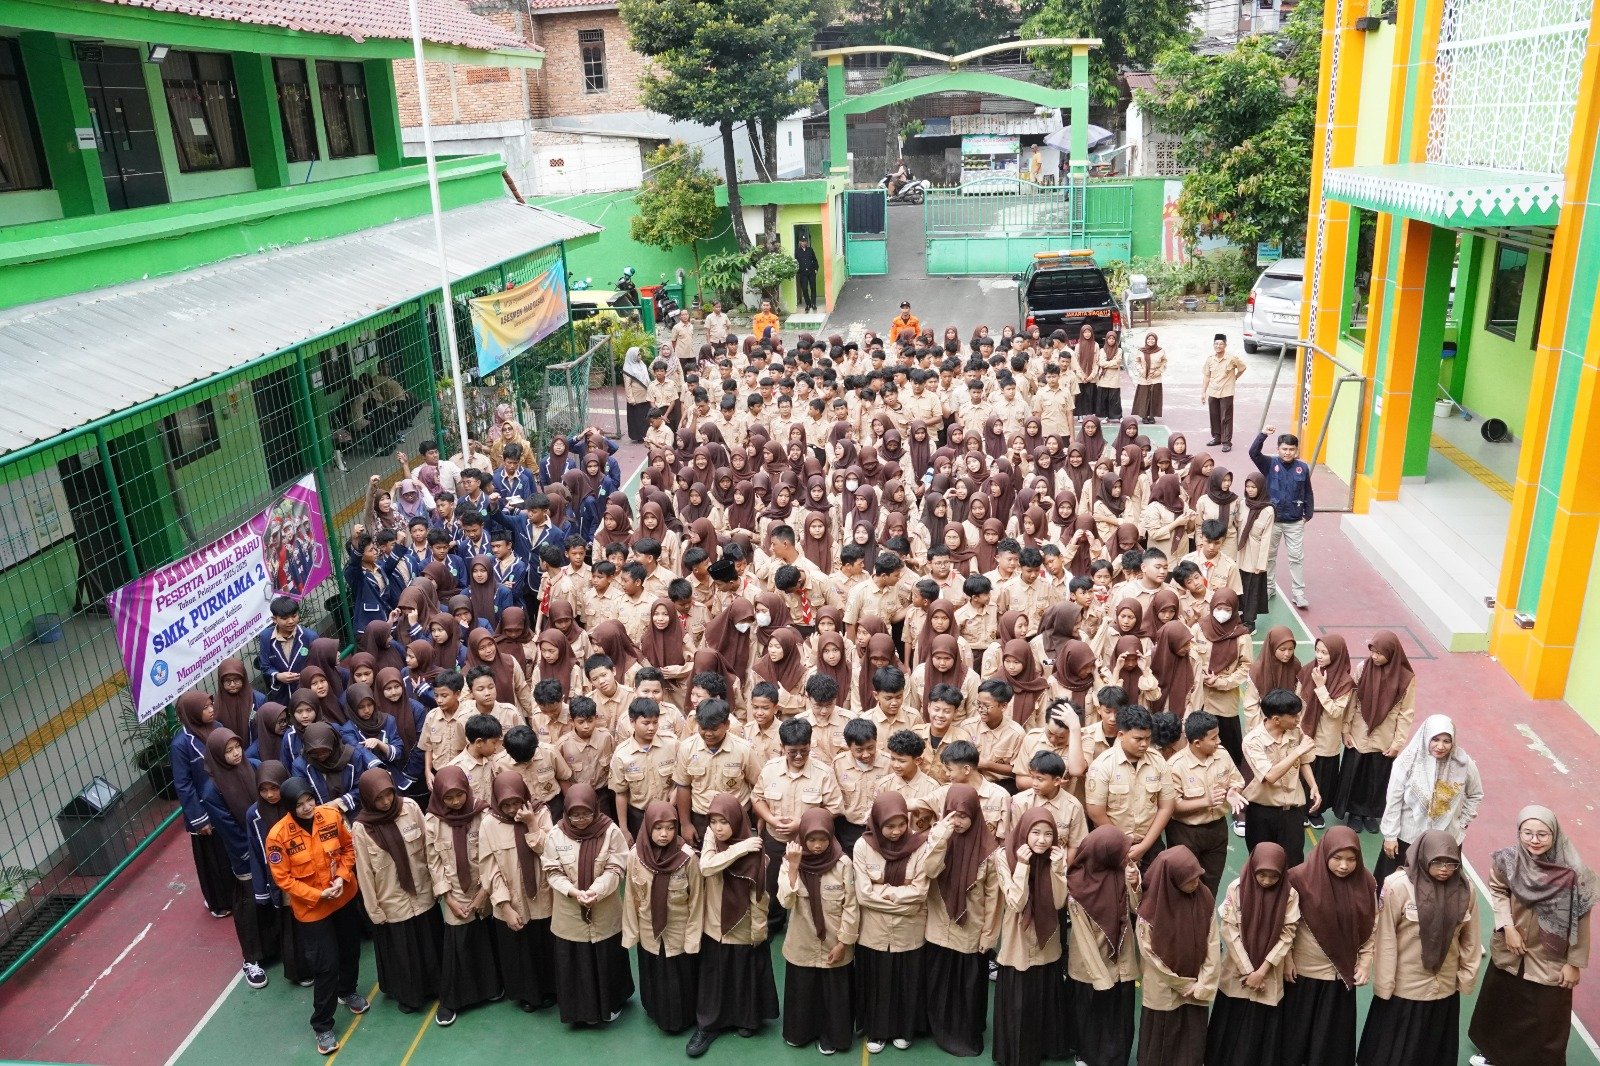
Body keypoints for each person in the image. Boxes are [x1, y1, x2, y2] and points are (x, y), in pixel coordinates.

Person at [1468, 805, 1596, 1066]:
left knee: (1545, 1020)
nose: (1534, 840)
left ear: (1554, 834)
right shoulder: (1508, 860)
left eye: (1542, 834)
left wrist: (1573, 963)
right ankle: (1495, 1055)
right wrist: (1507, 926)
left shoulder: (1573, 873)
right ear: (1519, 832)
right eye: (1527, 833)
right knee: (1503, 1005)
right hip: (1512, 950)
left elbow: (1581, 919)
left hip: (1550, 958)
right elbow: (1498, 890)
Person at [265, 777, 367, 1056]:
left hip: (343, 897)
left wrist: (342, 877)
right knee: (326, 966)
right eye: (299, 804)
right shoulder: (277, 837)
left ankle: (348, 991)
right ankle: (322, 1025)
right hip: (313, 909)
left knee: (351, 949)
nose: (307, 807)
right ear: (290, 807)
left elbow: (348, 849)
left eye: (309, 799)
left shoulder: (331, 816)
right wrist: (317, 895)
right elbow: (283, 879)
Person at [1359, 831, 1480, 1066]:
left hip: (1443, 985)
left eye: (1451, 863)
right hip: (1405, 987)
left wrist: (1466, 976)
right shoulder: (1398, 886)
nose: (1444, 869)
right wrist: (1384, 984)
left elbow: (1471, 937)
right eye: (1437, 862)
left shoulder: (1466, 890)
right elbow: (1385, 938)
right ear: (1423, 856)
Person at [852, 792, 953, 1054]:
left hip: (909, 932)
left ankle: (903, 1030)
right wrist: (901, 899)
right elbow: (863, 894)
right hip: (873, 932)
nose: (896, 831)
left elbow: (920, 892)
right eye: (889, 826)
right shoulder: (862, 846)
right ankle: (877, 1031)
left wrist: (882, 892)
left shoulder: (920, 846)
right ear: (877, 823)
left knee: (906, 981)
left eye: (901, 824)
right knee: (877, 981)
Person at [687, 793, 780, 1056]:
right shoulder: (715, 838)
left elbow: (759, 894)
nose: (718, 828)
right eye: (713, 821)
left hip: (744, 922)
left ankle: (745, 1018)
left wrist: (759, 929)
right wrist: (739, 849)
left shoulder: (756, 848)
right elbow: (706, 866)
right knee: (715, 974)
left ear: (737, 821)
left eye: (724, 822)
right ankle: (708, 1025)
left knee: (743, 969)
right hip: (715, 921)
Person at [1280, 826, 1377, 1066]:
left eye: (1351, 859)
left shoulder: (1365, 882)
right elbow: (1284, 924)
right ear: (1325, 853)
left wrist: (1365, 961)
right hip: (1302, 975)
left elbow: (1372, 925)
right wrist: (1287, 959)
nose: (1344, 866)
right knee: (1293, 1041)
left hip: (1340, 976)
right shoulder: (1298, 879)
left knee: (1330, 1046)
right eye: (1337, 858)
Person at [350, 768, 442, 1017]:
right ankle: (411, 995)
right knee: (403, 953)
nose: (386, 802)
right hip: (392, 902)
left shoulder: (409, 808)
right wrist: (374, 910)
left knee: (429, 945)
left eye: (388, 794)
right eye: (379, 798)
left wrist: (438, 886)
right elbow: (364, 872)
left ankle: (435, 986)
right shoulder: (361, 828)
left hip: (422, 894)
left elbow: (429, 849)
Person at [543, 783, 633, 1026]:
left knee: (606, 957)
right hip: (569, 912)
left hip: (603, 909)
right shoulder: (555, 834)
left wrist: (596, 891)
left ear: (596, 809)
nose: (581, 819)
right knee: (576, 960)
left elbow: (617, 867)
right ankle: (580, 1011)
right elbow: (552, 871)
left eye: (586, 814)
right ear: (566, 812)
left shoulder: (610, 831)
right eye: (575, 814)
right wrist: (573, 892)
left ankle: (611, 1003)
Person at [923, 785, 1003, 1057]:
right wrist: (940, 838)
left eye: (963, 816)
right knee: (938, 981)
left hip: (970, 930)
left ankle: (963, 1034)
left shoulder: (989, 851)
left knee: (966, 986)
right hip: (938, 926)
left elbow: (994, 900)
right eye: (952, 815)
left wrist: (989, 936)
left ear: (975, 815)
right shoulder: (939, 838)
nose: (957, 821)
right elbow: (929, 871)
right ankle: (938, 1028)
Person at [1207, 842, 1300, 1066]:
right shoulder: (1236, 888)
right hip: (1237, 969)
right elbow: (1229, 930)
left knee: (1259, 1029)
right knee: (1229, 1022)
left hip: (1268, 972)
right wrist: (1249, 971)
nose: (1267, 881)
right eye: (1262, 874)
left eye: (1274, 876)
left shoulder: (1289, 894)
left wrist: (1262, 971)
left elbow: (1288, 934)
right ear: (1252, 867)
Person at [993, 807, 1072, 1066]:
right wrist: (1023, 866)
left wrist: (1058, 869)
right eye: (1036, 832)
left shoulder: (1056, 857)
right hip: (1018, 935)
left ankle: (1046, 1046)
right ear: (1024, 832)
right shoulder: (1004, 855)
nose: (1042, 840)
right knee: (1020, 994)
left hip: (1047, 937)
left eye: (1048, 834)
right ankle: (1017, 1053)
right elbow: (1016, 902)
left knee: (1044, 990)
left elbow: (1058, 903)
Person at [777, 807, 859, 1055]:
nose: (817, 845)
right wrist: (794, 867)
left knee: (834, 993)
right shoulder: (790, 860)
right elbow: (785, 902)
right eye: (811, 839)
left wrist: (843, 943)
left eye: (823, 839)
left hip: (834, 941)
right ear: (802, 837)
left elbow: (851, 906)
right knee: (803, 991)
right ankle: (800, 1033)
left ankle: (832, 1036)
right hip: (802, 941)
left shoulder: (843, 863)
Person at [422, 765, 500, 1025]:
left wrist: (483, 894)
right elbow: (434, 863)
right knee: (458, 946)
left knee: (485, 939)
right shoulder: (433, 821)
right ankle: (452, 1000)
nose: (456, 802)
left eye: (459, 795)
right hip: (455, 892)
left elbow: (492, 857)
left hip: (483, 889)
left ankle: (490, 988)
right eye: (449, 797)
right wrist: (448, 899)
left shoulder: (482, 813)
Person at [479, 770, 557, 1012]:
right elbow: (490, 869)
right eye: (506, 804)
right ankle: (528, 995)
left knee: (545, 944)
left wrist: (531, 824)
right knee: (520, 950)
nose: (512, 809)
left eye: (516, 802)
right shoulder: (489, 823)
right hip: (513, 900)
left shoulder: (541, 813)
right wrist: (505, 906)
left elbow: (550, 852)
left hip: (543, 896)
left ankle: (551, 990)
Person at [1135, 846, 1220, 1066]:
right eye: (1189, 880)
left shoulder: (1204, 897)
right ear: (1172, 879)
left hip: (1196, 984)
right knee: (1161, 1039)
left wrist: (1202, 983)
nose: (1196, 883)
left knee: (1191, 1037)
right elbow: (1149, 954)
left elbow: (1212, 943)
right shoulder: (1151, 909)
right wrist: (1182, 984)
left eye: (1198, 876)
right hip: (1164, 986)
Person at [1065, 825, 1141, 1066]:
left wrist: (1134, 883)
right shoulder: (1077, 887)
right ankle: (1086, 1055)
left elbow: (1137, 909)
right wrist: (1100, 977)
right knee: (1092, 1014)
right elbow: (1084, 940)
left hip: (1121, 962)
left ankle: (1116, 1057)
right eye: (1122, 851)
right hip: (1091, 965)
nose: (1127, 856)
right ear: (1105, 853)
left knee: (1118, 1014)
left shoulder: (1122, 872)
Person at [1374, 713, 1482, 883]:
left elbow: (1475, 794)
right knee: (1398, 884)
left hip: (1446, 839)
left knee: (1441, 886)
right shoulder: (1407, 762)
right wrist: (1390, 836)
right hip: (1408, 837)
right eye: (1435, 739)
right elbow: (1394, 802)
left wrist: (1462, 822)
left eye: (1447, 741)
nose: (1440, 746)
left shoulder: (1463, 763)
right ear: (1426, 737)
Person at [1335, 630, 1416, 834]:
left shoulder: (1406, 678)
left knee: (1377, 777)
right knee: (1356, 774)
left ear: (1391, 653)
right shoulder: (1363, 668)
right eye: (1373, 651)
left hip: (1384, 736)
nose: (1375, 657)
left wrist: (1397, 743)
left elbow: (1406, 713)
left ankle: (1370, 813)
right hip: (1359, 731)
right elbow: (1352, 700)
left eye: (1380, 653)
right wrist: (1345, 729)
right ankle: (1354, 812)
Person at [172, 690, 235, 918]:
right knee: (213, 860)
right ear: (192, 713)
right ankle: (220, 902)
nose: (211, 710)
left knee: (231, 852)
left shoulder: (217, 727)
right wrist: (199, 819)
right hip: (204, 811)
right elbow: (183, 784)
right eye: (205, 708)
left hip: (225, 802)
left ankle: (238, 895)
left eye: (211, 705)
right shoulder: (181, 744)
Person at [1241, 687, 1317, 866]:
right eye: (1294, 716)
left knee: (1293, 862)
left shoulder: (1295, 731)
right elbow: (1270, 775)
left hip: (1292, 810)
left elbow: (1304, 761)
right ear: (1276, 719)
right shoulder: (1253, 741)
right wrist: (1298, 751)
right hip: (1262, 812)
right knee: (1263, 863)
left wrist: (1313, 785)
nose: (1298, 720)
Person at [1251, 424, 1314, 610]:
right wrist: (1263, 434)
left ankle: (1298, 593)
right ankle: (1269, 588)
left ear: (1297, 450)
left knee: (1296, 558)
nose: (1287, 453)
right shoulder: (1269, 464)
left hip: (1295, 522)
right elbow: (1253, 453)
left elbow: (1308, 492)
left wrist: (1307, 515)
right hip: (1274, 521)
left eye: (1291, 449)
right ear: (1278, 449)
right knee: (1269, 556)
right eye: (1284, 449)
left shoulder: (1302, 468)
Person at [1199, 334, 1246, 452]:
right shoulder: (1210, 359)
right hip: (1213, 391)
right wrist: (1203, 392)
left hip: (1226, 392)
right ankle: (1217, 437)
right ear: (1213, 345)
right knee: (1214, 415)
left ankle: (1226, 442)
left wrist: (1235, 377)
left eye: (1221, 344)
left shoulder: (1231, 358)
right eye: (1216, 344)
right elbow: (1206, 376)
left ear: (1225, 345)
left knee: (1226, 417)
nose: (1218, 346)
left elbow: (1242, 368)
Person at [1129, 332, 1166, 424]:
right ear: (1146, 340)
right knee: (1143, 396)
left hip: (1155, 377)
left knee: (1154, 397)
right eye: (1149, 339)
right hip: (1144, 377)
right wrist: (1141, 370)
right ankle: (1144, 416)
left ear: (1156, 340)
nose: (1151, 341)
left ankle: (1152, 416)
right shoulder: (1141, 351)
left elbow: (1164, 363)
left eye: (1153, 339)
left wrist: (1158, 372)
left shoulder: (1160, 351)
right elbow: (1137, 361)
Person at [622, 347, 652, 443]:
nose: (640, 356)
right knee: (637, 418)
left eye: (640, 354)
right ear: (632, 356)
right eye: (638, 354)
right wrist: (630, 399)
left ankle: (647, 434)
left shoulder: (642, 364)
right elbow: (627, 386)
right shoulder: (627, 369)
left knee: (646, 417)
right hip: (636, 398)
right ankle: (639, 436)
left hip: (646, 396)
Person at [795, 234, 820, 314]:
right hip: (803, 273)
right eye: (802, 241)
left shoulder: (810, 249)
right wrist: (798, 271)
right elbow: (795, 262)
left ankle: (813, 304)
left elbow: (815, 260)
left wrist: (816, 269)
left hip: (811, 272)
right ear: (800, 242)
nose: (804, 243)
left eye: (805, 241)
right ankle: (808, 304)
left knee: (813, 288)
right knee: (804, 288)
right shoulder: (797, 251)